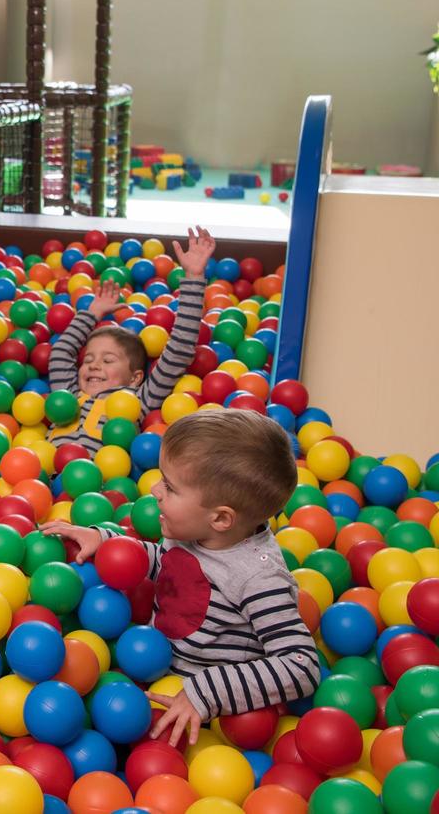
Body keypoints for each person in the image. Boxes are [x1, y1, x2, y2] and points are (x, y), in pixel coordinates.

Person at [41, 409, 321, 746]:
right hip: (149, 669)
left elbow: (301, 666)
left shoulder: (257, 577)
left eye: (170, 488)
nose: (155, 490)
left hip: (202, 719)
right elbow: (170, 564)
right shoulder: (191, 529)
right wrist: (106, 542)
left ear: (220, 519)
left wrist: (205, 693)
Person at [47, 227, 215, 452]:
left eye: (107, 361)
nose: (94, 365)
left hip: (99, 484)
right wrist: (92, 313)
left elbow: (179, 350)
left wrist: (193, 278)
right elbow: (60, 353)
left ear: (135, 378)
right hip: (39, 479)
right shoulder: (70, 391)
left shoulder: (138, 401)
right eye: (87, 360)